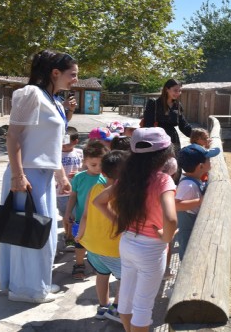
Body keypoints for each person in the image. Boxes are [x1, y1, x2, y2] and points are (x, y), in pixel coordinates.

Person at [0, 49, 77, 303]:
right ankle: (28, 290)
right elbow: (13, 136)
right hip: (27, 174)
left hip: (41, 175)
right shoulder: (31, 94)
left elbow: (49, 144)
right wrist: (17, 175)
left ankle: (34, 285)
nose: (75, 79)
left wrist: (61, 176)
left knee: (39, 233)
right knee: (29, 233)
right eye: (72, 74)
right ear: (55, 73)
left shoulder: (53, 99)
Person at [93, 127, 177, 332]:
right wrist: (165, 237)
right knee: (143, 307)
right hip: (151, 249)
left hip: (127, 243)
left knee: (127, 301)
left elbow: (99, 201)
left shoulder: (127, 179)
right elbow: (171, 219)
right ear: (164, 153)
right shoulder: (163, 180)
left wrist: (120, 223)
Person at [76, 150, 128, 323]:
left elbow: (84, 215)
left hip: (92, 246)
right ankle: (117, 310)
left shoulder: (95, 188)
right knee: (124, 279)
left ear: (103, 173)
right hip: (113, 249)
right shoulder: (123, 194)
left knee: (102, 275)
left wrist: (80, 235)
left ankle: (103, 307)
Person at [64, 140, 108, 280]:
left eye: (101, 164)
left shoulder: (106, 179)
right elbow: (73, 197)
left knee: (98, 242)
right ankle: (79, 264)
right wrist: (67, 212)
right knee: (80, 242)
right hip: (80, 218)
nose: (97, 168)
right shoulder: (79, 178)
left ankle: (98, 264)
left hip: (100, 219)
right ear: (85, 162)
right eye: (93, 165)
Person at [175, 144, 219, 261]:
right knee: (188, 257)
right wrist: (201, 200)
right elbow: (176, 205)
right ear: (200, 166)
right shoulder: (188, 185)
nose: (210, 161)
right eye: (208, 159)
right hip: (188, 229)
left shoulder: (194, 179)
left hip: (193, 225)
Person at [142, 78, 192, 181]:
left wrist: (196, 135)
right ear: (167, 89)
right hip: (157, 138)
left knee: (174, 165)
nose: (178, 93)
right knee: (158, 166)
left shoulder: (177, 106)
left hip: (173, 139)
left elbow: (183, 125)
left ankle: (173, 187)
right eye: (175, 90)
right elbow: (148, 125)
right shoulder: (154, 103)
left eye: (179, 90)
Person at [58, 126, 84, 252]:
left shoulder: (79, 152)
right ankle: (67, 235)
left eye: (66, 144)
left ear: (75, 142)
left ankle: (71, 236)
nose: (63, 146)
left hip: (77, 190)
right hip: (61, 192)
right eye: (61, 143)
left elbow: (84, 167)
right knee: (66, 215)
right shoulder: (56, 154)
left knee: (74, 215)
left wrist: (79, 172)